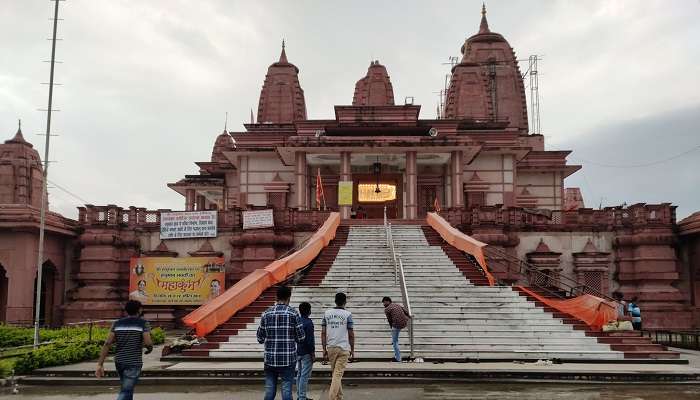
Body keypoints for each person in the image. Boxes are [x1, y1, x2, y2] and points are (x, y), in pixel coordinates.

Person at [95, 300, 153, 400]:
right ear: (139, 310)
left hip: (119, 361)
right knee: (126, 390)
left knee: (127, 388)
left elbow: (107, 343)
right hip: (133, 362)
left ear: (126, 310)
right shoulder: (143, 323)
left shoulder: (117, 323)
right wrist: (149, 348)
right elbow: (148, 342)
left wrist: (100, 364)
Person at [257, 286, 306, 400]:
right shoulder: (293, 314)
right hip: (288, 359)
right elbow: (301, 337)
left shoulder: (266, 314)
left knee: (270, 389)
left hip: (270, 358)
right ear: (289, 297)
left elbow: (260, 338)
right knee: (287, 388)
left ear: (276, 297)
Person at [322, 292, 354, 400]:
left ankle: (339, 397)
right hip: (343, 348)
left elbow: (323, 332)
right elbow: (351, 334)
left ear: (335, 301)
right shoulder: (348, 314)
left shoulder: (327, 314)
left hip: (331, 347)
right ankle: (332, 397)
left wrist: (323, 348)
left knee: (335, 374)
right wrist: (352, 349)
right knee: (337, 375)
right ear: (345, 302)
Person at [382, 296, 410, 362]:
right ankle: (396, 355)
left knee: (395, 342)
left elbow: (390, 320)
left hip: (396, 325)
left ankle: (398, 358)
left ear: (388, 301)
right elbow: (405, 311)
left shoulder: (387, 309)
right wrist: (409, 316)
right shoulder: (397, 305)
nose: (383, 304)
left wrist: (392, 328)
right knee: (395, 339)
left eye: (384, 302)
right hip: (404, 323)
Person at [296, 302, 315, 400]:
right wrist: (312, 353)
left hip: (298, 351)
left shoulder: (298, 321)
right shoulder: (309, 323)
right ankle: (302, 397)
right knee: (304, 375)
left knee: (299, 374)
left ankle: (300, 395)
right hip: (306, 352)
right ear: (309, 311)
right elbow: (310, 340)